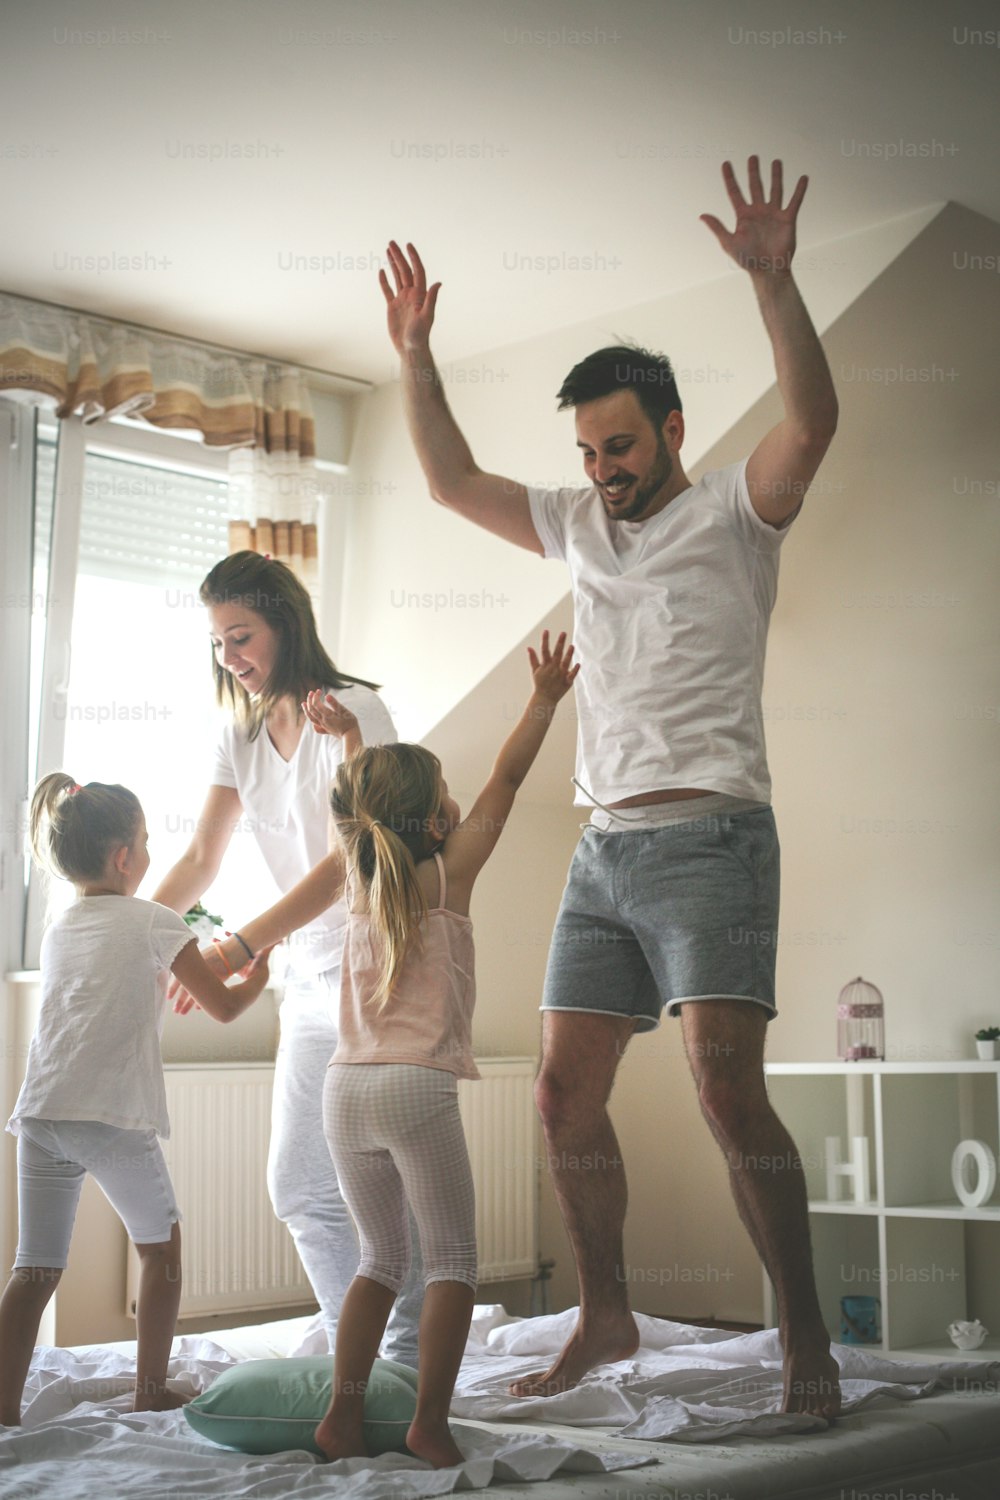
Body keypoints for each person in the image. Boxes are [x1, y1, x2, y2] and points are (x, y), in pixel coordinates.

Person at [376, 156, 842, 1419]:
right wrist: (416, 358)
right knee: (557, 1091)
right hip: (603, 852)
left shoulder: (738, 514)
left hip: (712, 839)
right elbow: (450, 483)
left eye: (622, 445)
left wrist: (775, 282)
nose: (602, 469)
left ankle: (803, 1340)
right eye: (587, 451)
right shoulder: (580, 526)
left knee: (720, 1084)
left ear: (676, 430)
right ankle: (605, 1310)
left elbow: (811, 421)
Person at [308, 633, 578, 1468]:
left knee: (379, 1260)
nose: (463, 801)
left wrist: (352, 739)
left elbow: (362, 806)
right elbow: (508, 780)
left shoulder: (361, 872)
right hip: (415, 1090)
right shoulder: (447, 873)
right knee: (453, 1261)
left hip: (344, 1091)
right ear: (432, 818)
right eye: (447, 795)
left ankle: (340, 1418)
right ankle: (429, 1420)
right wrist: (542, 700)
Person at [154, 551, 425, 1367]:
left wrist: (240, 942)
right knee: (301, 1185)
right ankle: (363, 1348)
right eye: (217, 642)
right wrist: (130, 931)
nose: (229, 656)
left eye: (241, 635)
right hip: (305, 978)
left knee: (366, 1180)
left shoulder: (354, 712)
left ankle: (403, 1352)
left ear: (285, 624)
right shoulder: (238, 733)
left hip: (371, 967)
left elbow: (353, 858)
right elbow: (203, 854)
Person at [0, 774, 271, 1426]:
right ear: (125, 857)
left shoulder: (61, 926)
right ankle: (151, 1388)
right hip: (110, 1115)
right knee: (161, 1250)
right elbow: (225, 1006)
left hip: (41, 1113)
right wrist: (258, 964)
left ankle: (3, 1411)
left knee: (33, 1269)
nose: (151, 851)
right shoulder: (156, 920)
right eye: (147, 841)